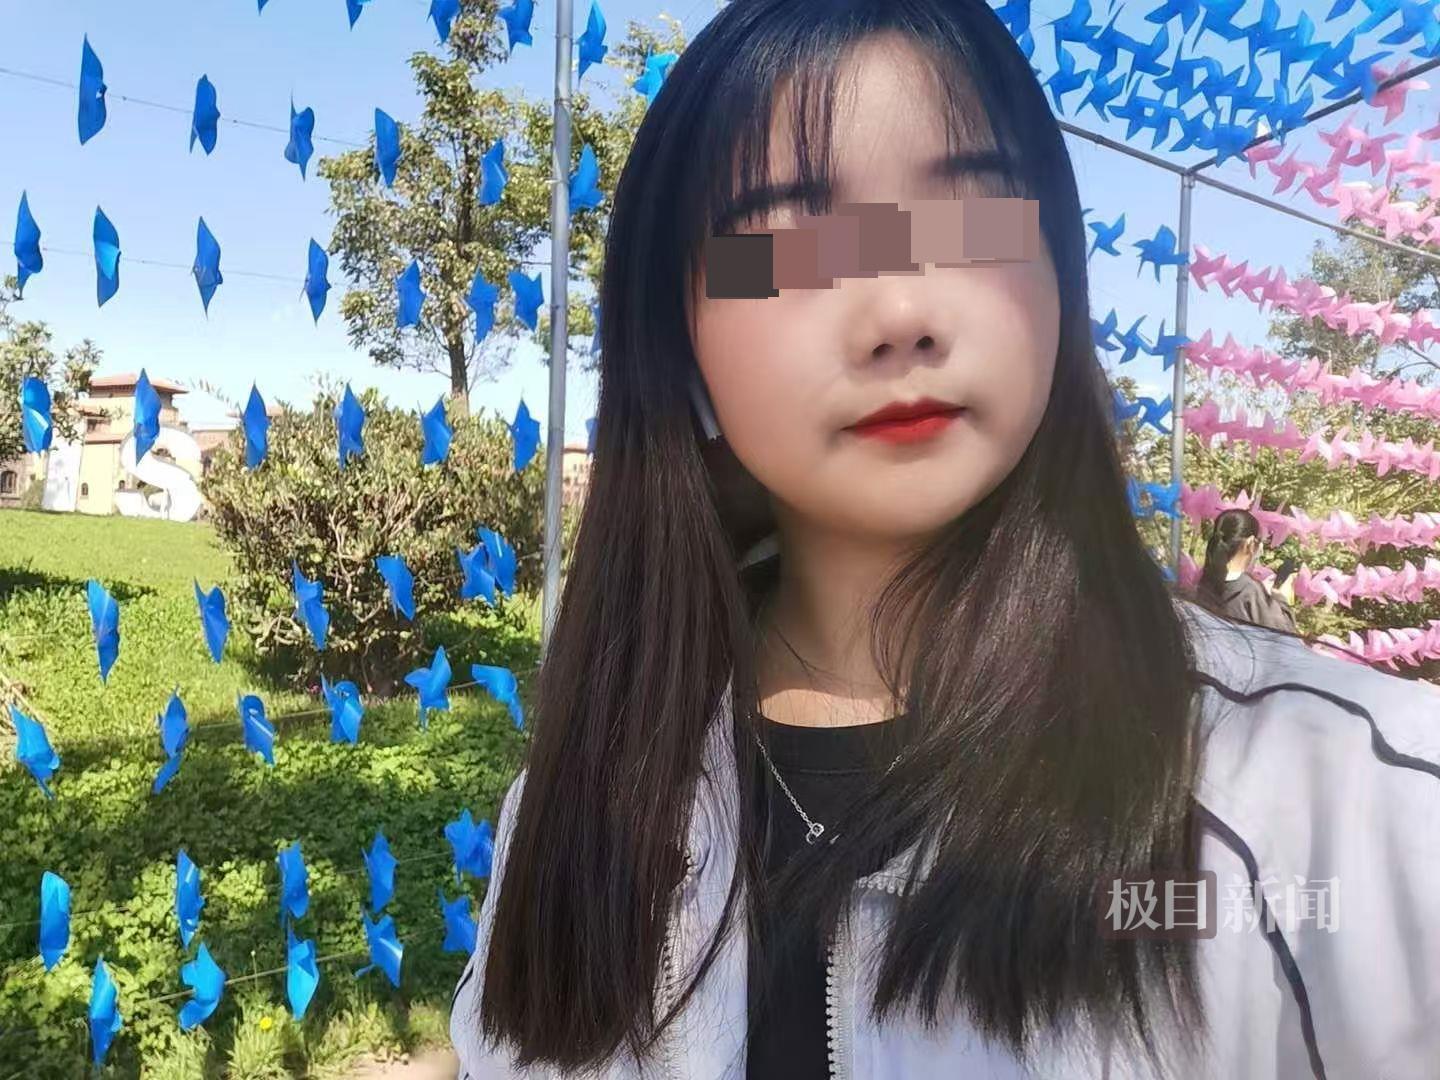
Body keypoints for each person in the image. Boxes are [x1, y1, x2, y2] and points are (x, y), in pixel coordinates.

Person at [451, 1, 1440, 1077]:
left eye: (974, 218)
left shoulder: (1344, 797)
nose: (900, 315)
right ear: (676, 340)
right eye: (787, 243)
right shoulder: (577, 802)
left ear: (1059, 279)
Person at [1197, 508, 1298, 634]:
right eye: (1259, 541)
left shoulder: (1204, 582)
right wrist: (1281, 597)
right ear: (1250, 543)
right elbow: (1284, 634)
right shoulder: (1249, 590)